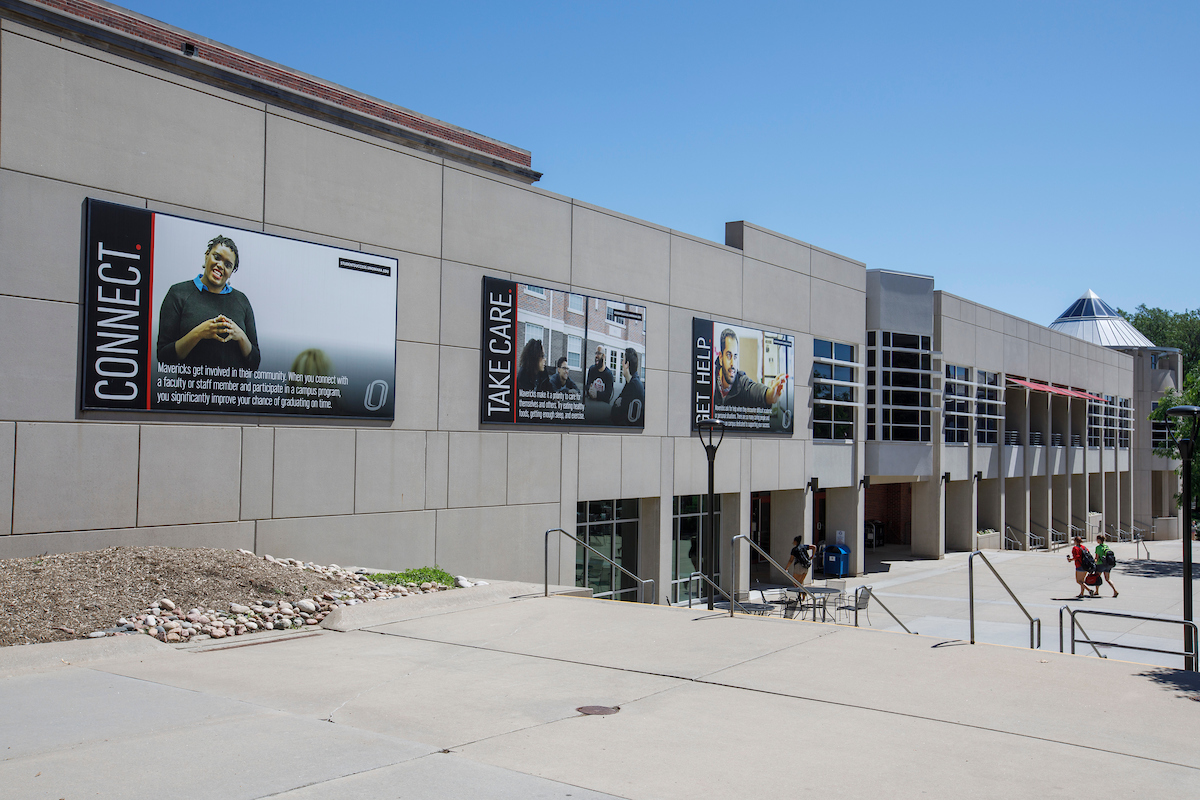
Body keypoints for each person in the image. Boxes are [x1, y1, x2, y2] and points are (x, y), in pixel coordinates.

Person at [156, 235, 260, 370]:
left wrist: (240, 336)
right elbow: (164, 357)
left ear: (231, 272)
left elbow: (255, 364)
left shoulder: (242, 301)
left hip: (234, 390)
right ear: (207, 255)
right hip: (192, 390)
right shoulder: (179, 293)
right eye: (217, 257)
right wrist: (199, 333)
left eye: (228, 265)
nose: (220, 266)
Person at [713, 328, 787, 408]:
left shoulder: (741, 382)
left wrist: (770, 395)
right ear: (720, 358)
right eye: (728, 355)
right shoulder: (710, 379)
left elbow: (755, 391)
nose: (732, 363)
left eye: (735, 356)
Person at [610, 348, 644, 426]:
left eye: (623, 360)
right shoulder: (630, 383)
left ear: (627, 364)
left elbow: (618, 415)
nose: (621, 363)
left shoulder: (634, 386)